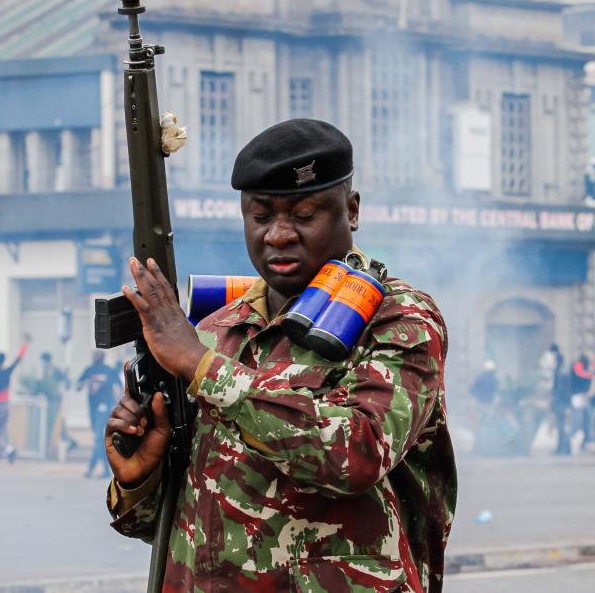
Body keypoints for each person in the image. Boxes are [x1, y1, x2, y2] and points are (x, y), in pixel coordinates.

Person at [104, 120, 455, 590]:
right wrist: (139, 479)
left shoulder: (400, 319)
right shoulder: (215, 329)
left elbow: (356, 454)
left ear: (351, 211)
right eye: (261, 215)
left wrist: (200, 367)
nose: (279, 235)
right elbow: (186, 523)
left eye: (305, 214)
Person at [78, 350, 123, 478]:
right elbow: (78, 385)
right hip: (93, 408)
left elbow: (119, 388)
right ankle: (106, 471)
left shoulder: (109, 371)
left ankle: (90, 469)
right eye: (94, 356)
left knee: (98, 438)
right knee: (101, 439)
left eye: (98, 356)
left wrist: (117, 406)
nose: (95, 358)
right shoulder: (89, 370)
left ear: (102, 358)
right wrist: (87, 383)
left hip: (105, 407)